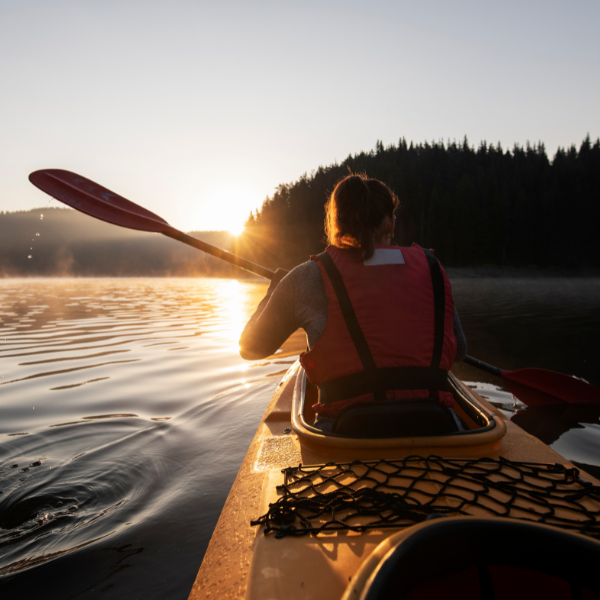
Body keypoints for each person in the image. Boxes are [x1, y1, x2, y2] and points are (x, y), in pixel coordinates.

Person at [239, 173, 467, 433]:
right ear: (391, 224)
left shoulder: (306, 277)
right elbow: (459, 350)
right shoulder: (432, 267)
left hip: (344, 435)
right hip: (438, 429)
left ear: (335, 224)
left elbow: (250, 348)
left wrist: (274, 291)